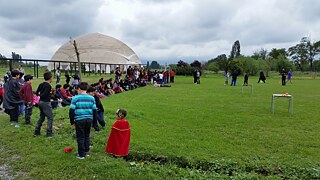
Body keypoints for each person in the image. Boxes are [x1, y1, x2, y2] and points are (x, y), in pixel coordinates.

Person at [69, 82, 97, 159]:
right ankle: (86, 151)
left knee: (80, 137)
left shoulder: (75, 98)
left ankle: (81, 155)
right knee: (87, 135)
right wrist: (94, 122)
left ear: (79, 89)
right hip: (89, 119)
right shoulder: (92, 98)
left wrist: (72, 121)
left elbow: (71, 110)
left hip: (79, 119)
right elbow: (94, 111)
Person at [34, 72, 54, 137]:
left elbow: (37, 93)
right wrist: (50, 95)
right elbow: (44, 95)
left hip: (40, 102)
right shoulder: (48, 86)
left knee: (42, 117)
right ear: (50, 78)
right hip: (46, 103)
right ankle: (49, 133)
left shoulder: (41, 84)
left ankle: (36, 131)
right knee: (50, 117)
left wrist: (40, 95)